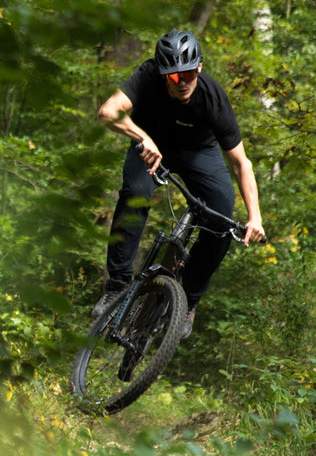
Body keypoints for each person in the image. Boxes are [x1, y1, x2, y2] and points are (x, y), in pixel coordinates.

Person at [92, 29, 265, 338]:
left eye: (187, 73)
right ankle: (116, 286)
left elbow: (241, 163)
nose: (182, 82)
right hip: (151, 144)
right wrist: (143, 137)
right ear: (162, 74)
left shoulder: (212, 97)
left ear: (198, 67)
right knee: (135, 193)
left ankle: (187, 303)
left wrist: (255, 217)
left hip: (200, 152)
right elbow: (107, 112)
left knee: (221, 222)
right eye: (173, 77)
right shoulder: (147, 76)